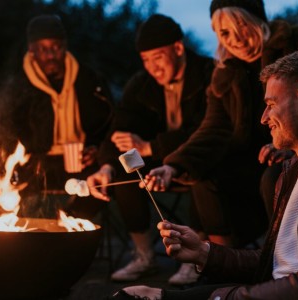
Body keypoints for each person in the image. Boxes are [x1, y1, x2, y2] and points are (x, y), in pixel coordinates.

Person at [110, 48, 298, 300]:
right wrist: (205, 253)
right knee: (134, 294)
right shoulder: (293, 169)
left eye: (270, 105)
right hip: (271, 290)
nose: (263, 118)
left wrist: (224, 297)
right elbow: (277, 261)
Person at [141, 0, 298, 253]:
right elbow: (213, 129)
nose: (235, 38)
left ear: (257, 20)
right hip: (248, 162)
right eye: (224, 32)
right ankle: (221, 263)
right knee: (205, 179)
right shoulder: (224, 73)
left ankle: (290, 263)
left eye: (240, 24)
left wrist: (293, 147)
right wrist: (173, 165)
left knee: (275, 178)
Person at [86, 14, 214, 284]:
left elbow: (207, 131)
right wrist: (107, 165)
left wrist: (149, 146)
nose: (152, 67)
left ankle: (195, 256)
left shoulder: (208, 73)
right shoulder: (141, 84)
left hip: (197, 156)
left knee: (201, 172)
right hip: (155, 160)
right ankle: (144, 255)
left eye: (158, 57)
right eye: (145, 59)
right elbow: (119, 126)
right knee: (124, 174)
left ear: (178, 48)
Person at [3, 15, 113, 218]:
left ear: (65, 46)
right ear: (32, 51)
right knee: (19, 192)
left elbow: (109, 122)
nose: (51, 55)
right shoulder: (19, 86)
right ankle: (33, 233)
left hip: (81, 161)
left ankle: (72, 225)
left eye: (56, 47)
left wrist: (96, 148)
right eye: (43, 49)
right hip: (37, 162)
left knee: (102, 182)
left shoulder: (89, 80)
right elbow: (7, 129)